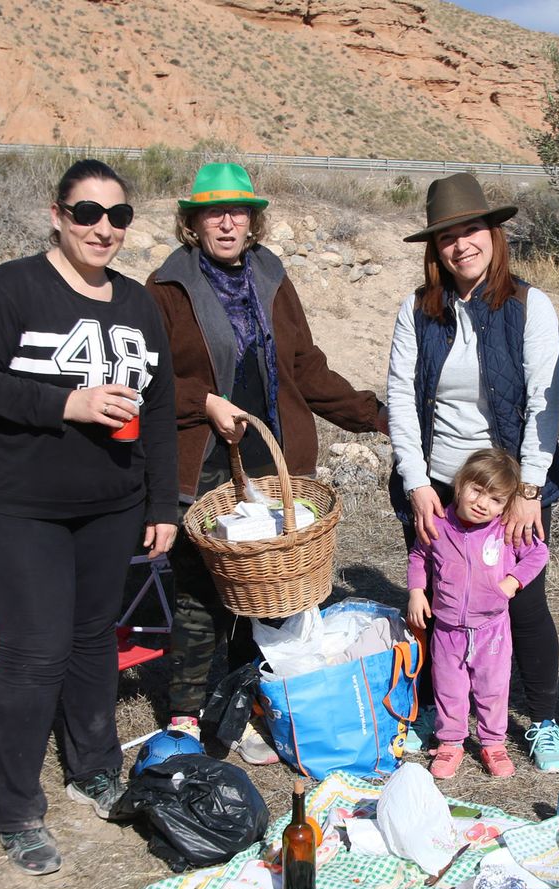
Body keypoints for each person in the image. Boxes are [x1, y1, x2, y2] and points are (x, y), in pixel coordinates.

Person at [0, 159, 177, 875]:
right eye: (86, 213)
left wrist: (161, 502)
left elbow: (161, 406)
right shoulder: (13, 288)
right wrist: (65, 403)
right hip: (17, 507)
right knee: (35, 649)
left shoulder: (138, 304)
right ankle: (16, 809)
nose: (102, 229)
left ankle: (95, 771)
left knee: (90, 643)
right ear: (57, 214)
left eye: (117, 217)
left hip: (109, 507)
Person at [148, 163, 385, 761]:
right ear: (192, 222)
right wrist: (202, 400)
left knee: (274, 588)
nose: (227, 223)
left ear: (254, 220)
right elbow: (148, 379)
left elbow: (303, 366)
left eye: (239, 212)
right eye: (213, 212)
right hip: (204, 458)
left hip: (277, 459)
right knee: (203, 590)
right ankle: (185, 715)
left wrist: (374, 414)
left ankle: (260, 702)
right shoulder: (166, 288)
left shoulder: (272, 275)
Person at [386, 172, 559, 774]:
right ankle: (430, 720)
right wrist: (415, 481)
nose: (461, 245)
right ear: (433, 250)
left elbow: (546, 400)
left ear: (494, 234)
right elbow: (401, 400)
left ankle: (540, 719)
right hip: (438, 485)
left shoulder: (528, 306)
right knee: (434, 603)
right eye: (447, 237)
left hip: (510, 485)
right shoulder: (418, 312)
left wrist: (530, 489)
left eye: (472, 231)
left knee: (522, 600)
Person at [406, 449, 549, 779]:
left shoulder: (504, 529)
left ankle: (493, 742)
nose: (483, 503)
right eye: (477, 490)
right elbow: (418, 556)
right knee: (449, 689)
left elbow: (537, 553)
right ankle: (451, 742)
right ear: (460, 485)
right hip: (447, 630)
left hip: (491, 629)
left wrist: (511, 583)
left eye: (495, 499)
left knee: (493, 688)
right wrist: (416, 591)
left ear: (506, 505)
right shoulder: (439, 523)